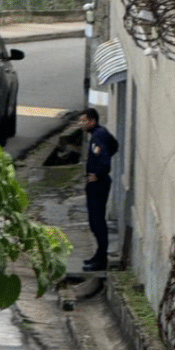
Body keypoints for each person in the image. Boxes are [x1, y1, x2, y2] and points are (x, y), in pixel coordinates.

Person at [79, 108, 118, 272]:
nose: (81, 124)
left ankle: (101, 259)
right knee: (95, 221)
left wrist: (97, 175)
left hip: (98, 184)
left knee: (97, 222)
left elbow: (105, 161)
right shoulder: (101, 134)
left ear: (92, 121)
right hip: (96, 183)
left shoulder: (97, 137)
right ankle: (98, 254)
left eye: (84, 121)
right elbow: (115, 145)